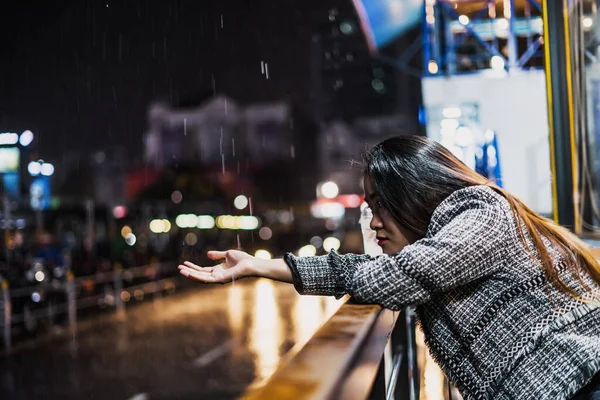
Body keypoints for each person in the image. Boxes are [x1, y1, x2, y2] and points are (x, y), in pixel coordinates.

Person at [179, 136, 600, 400]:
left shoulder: (480, 211)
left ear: (414, 191)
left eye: (380, 205)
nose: (374, 222)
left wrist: (268, 267)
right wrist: (260, 265)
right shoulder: (451, 236)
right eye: (368, 209)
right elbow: (390, 272)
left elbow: (400, 277)